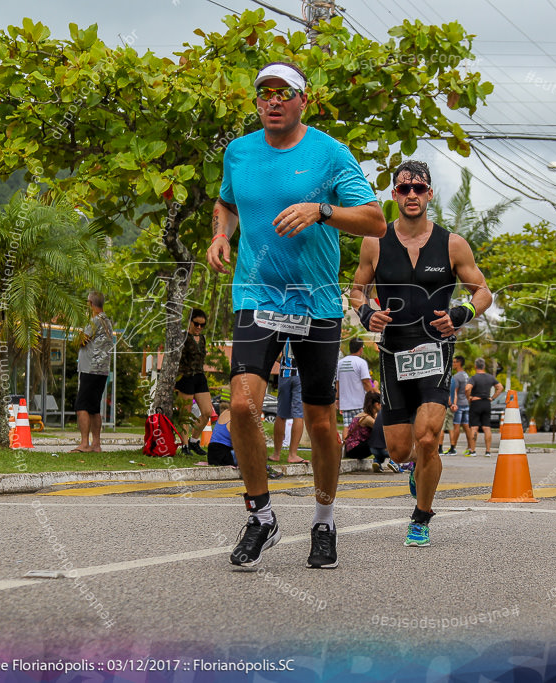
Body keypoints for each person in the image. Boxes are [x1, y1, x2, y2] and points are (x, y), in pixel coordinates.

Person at [206, 60, 386, 569]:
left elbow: (374, 218)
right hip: (257, 296)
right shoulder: (238, 153)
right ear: (257, 100)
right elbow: (227, 203)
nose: (274, 100)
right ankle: (261, 515)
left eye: (285, 92)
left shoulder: (329, 153)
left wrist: (322, 210)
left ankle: (324, 521)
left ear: (303, 100)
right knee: (242, 406)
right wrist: (222, 234)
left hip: (316, 302)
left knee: (321, 421)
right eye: (265, 92)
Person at [351, 158, 492, 547]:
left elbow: (483, 291)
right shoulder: (374, 242)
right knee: (401, 449)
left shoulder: (452, 243)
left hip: (436, 350)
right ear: (394, 195)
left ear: (429, 193)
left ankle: (421, 516)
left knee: (428, 438)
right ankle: (417, 469)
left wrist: (461, 313)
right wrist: (366, 314)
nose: (411, 195)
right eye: (403, 189)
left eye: (418, 189)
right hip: (393, 352)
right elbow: (357, 289)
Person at [73, 292, 114, 453]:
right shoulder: (107, 321)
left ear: (90, 303)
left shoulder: (94, 321)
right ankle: (96, 444)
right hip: (102, 369)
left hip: (90, 368)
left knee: (81, 405)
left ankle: (84, 443)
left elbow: (81, 340)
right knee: (94, 408)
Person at [176, 308, 213, 456]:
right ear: (190, 322)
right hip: (185, 376)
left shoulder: (202, 339)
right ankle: (184, 445)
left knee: (207, 412)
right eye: (196, 324)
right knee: (185, 413)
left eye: (202, 325)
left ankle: (194, 441)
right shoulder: (182, 337)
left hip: (199, 376)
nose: (199, 327)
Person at [206, 409, 282, 479]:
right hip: (221, 456)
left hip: (213, 454)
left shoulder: (226, 412)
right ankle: (264, 469)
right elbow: (238, 445)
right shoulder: (235, 420)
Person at [342, 391, 399, 473]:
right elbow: (382, 430)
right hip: (355, 449)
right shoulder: (367, 418)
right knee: (379, 440)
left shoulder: (364, 415)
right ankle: (391, 461)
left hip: (352, 449)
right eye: (381, 404)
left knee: (377, 441)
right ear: (376, 404)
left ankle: (378, 461)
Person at [272, 339, 305, 464]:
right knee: (298, 415)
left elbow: (275, 356)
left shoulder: (283, 331)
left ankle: (276, 454)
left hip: (284, 373)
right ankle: (293, 454)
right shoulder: (305, 329)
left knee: (281, 414)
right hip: (300, 374)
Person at [336, 338, 373, 440]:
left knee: (347, 426)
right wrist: (372, 395)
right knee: (364, 425)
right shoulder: (361, 362)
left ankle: (346, 448)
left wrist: (337, 399)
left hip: (345, 402)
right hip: (360, 402)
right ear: (361, 349)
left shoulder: (341, 363)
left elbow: (338, 383)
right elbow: (366, 382)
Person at [466, 358, 503, 457]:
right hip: (487, 403)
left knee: (474, 427)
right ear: (484, 366)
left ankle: (473, 451)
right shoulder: (490, 377)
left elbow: (467, 388)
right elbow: (500, 387)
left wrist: (468, 397)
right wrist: (492, 398)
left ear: (475, 366)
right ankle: (488, 451)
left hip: (476, 403)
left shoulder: (474, 378)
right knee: (487, 427)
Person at [447, 355, 471, 455]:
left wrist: (453, 404)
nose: (453, 364)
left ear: (459, 363)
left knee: (456, 426)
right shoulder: (466, 375)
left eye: (455, 362)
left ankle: (453, 448)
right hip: (466, 403)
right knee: (466, 426)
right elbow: (469, 389)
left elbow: (455, 392)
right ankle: (470, 447)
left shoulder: (456, 377)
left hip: (459, 404)